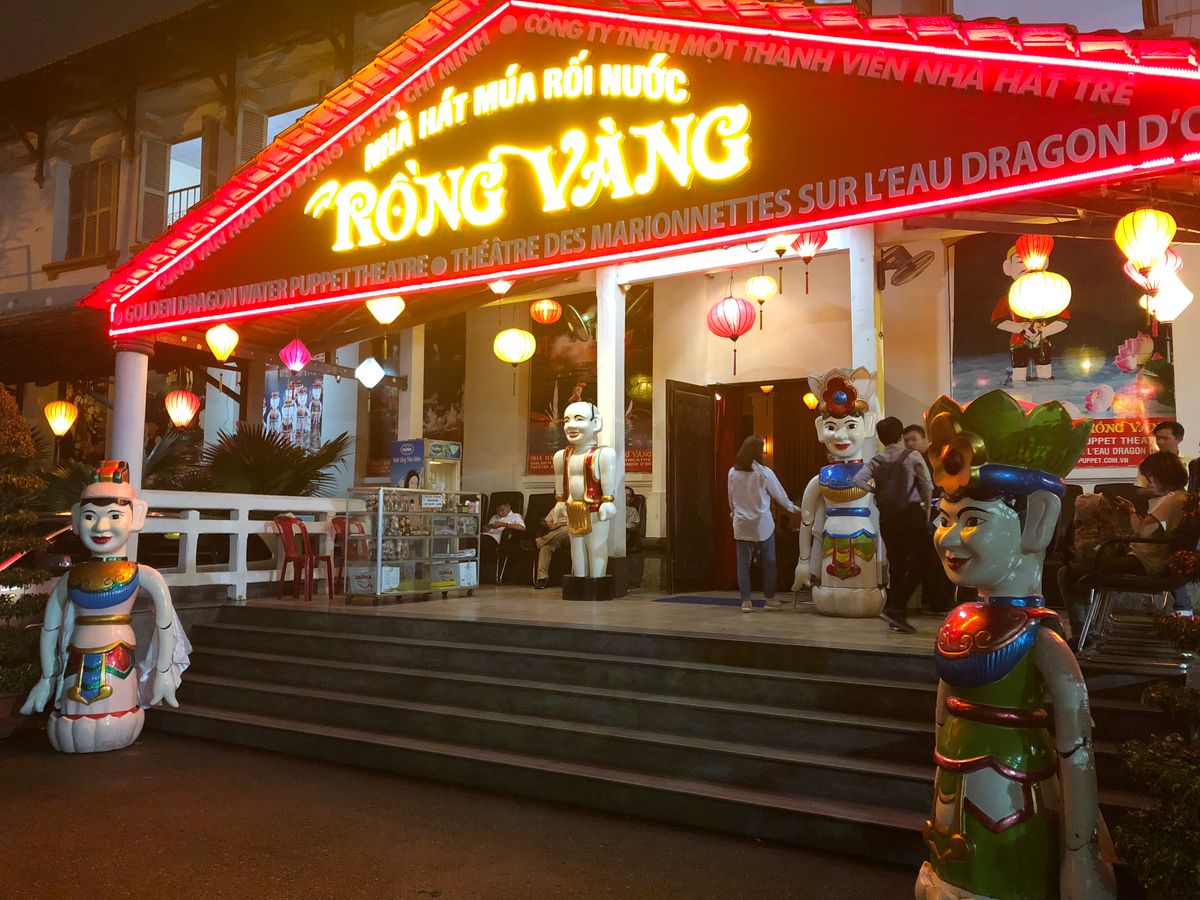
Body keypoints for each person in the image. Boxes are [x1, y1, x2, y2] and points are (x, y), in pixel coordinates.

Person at [1059, 451, 1191, 624]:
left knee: (1066, 573)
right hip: (1152, 562)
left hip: (1144, 564)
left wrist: (1131, 512)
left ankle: (1080, 629)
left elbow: (1142, 532)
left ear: (1163, 476)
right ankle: (1090, 624)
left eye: (1150, 477)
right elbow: (1151, 531)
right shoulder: (1183, 498)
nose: (1148, 483)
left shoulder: (1173, 499)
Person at [854, 416, 932, 633]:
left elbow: (857, 480)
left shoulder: (877, 460)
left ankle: (895, 613)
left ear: (881, 438)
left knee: (897, 565)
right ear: (900, 436)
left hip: (888, 517)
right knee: (926, 561)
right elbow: (927, 485)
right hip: (911, 513)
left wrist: (875, 490)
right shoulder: (912, 455)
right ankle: (895, 608)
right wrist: (926, 511)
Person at [728, 435, 800, 612]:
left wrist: (734, 514)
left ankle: (746, 602)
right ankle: (769, 599)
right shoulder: (764, 472)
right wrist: (794, 509)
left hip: (742, 523)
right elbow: (779, 495)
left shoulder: (732, 472)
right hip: (762, 524)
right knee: (769, 562)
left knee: (743, 564)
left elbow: (731, 498)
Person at [903, 423, 954, 614]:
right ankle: (932, 601)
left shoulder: (937, 459)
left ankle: (939, 601)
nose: (910, 444)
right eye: (906, 441)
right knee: (926, 559)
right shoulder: (910, 461)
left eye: (914, 439)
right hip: (922, 516)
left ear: (925, 439)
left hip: (938, 515)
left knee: (937, 558)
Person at [1135, 421, 1188, 488]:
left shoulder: (1190, 462)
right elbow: (1140, 488)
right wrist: (1158, 490)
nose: (1160, 442)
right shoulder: (1149, 462)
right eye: (1158, 438)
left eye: (1165, 438)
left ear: (1179, 439)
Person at [481, 502, 525, 583]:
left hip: (496, 540)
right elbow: (488, 527)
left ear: (508, 507)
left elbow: (522, 528)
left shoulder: (515, 516)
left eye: (502, 510)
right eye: (498, 511)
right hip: (486, 536)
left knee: (483, 543)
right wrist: (486, 528)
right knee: (474, 541)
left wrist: (504, 524)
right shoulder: (495, 517)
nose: (500, 513)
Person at [534, 503, 569, 589]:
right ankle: (542, 579)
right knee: (545, 548)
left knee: (563, 532)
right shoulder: (555, 509)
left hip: (569, 535)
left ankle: (538, 542)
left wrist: (559, 524)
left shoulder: (574, 506)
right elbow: (548, 524)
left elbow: (574, 523)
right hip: (554, 537)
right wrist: (548, 524)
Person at [624, 485, 641, 550]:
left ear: (631, 499)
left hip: (624, 538)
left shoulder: (632, 511)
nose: (624, 497)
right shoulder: (612, 509)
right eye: (623, 494)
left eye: (628, 495)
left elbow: (629, 526)